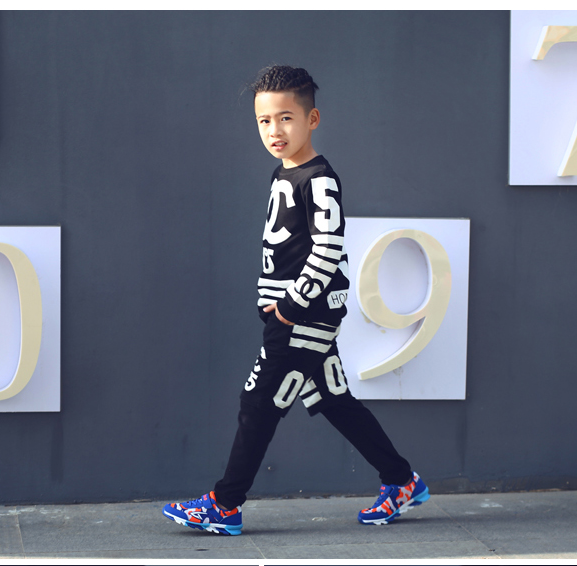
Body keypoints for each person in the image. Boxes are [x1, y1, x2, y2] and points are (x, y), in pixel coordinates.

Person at [163, 65, 428, 536]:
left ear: (312, 119)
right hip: (296, 313)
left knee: (258, 402)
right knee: (334, 401)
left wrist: (290, 305)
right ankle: (401, 480)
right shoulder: (283, 172)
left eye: (286, 118)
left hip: (303, 316)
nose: (275, 131)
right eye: (264, 121)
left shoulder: (319, 178)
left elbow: (328, 248)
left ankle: (225, 505)